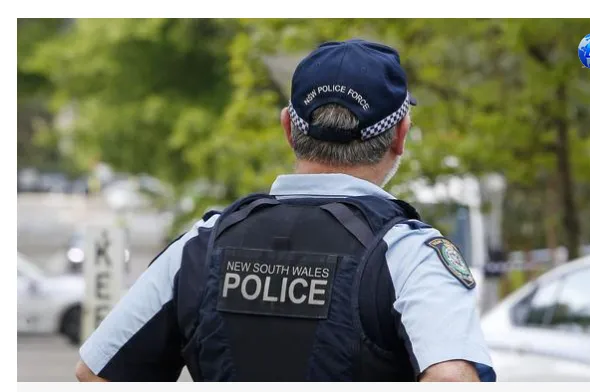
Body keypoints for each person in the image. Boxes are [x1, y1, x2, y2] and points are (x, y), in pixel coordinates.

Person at [75, 39, 496, 382]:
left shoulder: (201, 246)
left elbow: (96, 373)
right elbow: (451, 378)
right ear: (400, 136)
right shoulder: (412, 257)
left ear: (289, 130)